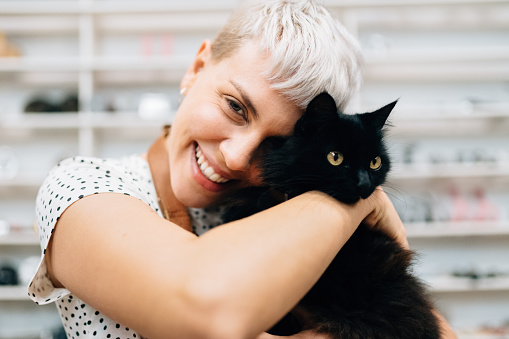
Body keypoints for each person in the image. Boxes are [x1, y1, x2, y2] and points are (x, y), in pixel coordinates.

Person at [29, 1, 456, 338]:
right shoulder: (82, 187)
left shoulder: (281, 199)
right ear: (197, 67)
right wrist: (359, 205)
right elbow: (204, 313)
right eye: (235, 107)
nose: (236, 158)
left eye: (276, 144)